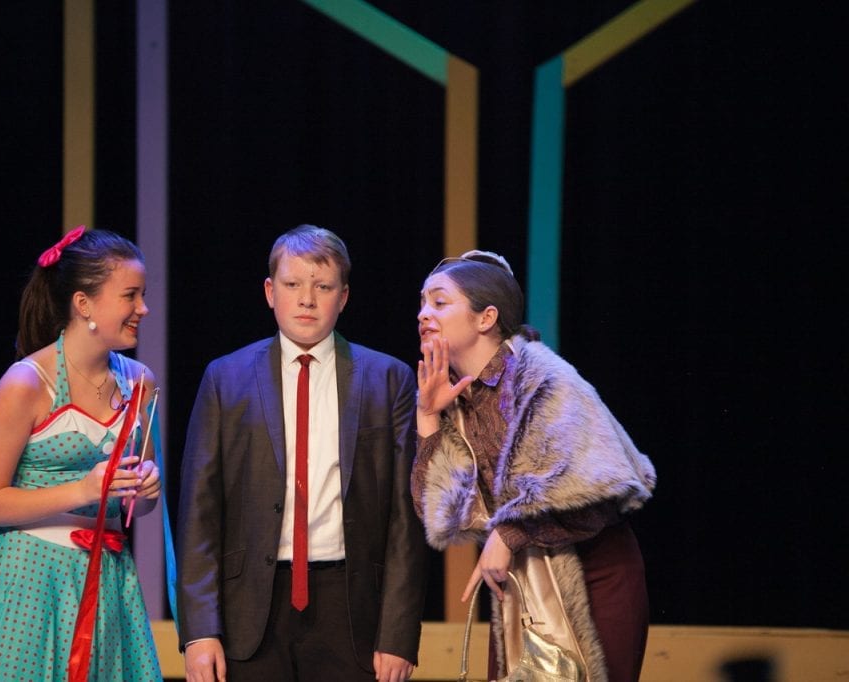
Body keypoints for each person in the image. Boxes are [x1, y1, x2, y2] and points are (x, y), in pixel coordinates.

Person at [176, 225, 428, 682]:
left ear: (343, 297)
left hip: (351, 609)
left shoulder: (387, 379)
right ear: (270, 292)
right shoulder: (226, 378)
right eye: (292, 284)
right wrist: (199, 630)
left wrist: (398, 632)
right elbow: (199, 511)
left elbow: (404, 519)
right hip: (249, 609)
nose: (307, 300)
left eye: (323, 287)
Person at [410, 250, 656, 682]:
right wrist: (428, 416)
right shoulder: (453, 397)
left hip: (594, 573)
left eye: (440, 302)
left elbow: (600, 489)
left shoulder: (543, 378)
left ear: (486, 318)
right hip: (523, 582)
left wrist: (509, 534)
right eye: (423, 303)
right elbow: (444, 515)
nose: (423, 314)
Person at [0, 226, 164, 681]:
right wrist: (82, 489)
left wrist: (145, 491)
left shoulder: (139, 383)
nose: (143, 308)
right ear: (84, 304)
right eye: (130, 296)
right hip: (27, 579)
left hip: (106, 578)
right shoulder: (27, 383)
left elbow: (135, 506)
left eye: (142, 295)